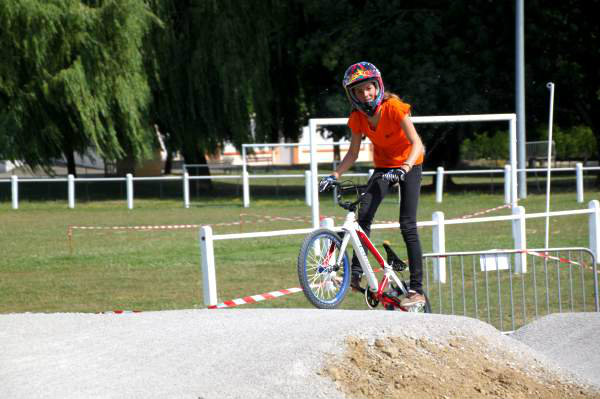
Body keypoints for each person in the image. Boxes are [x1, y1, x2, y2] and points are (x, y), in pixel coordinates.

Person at [319, 61, 426, 307]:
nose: (365, 94)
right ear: (353, 95)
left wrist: (404, 168)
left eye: (369, 88)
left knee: (407, 224)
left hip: (410, 164)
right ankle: (355, 275)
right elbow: (353, 153)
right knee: (363, 216)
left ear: (377, 86)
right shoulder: (358, 117)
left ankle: (416, 289)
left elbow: (417, 143)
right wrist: (334, 175)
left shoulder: (395, 107)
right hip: (384, 166)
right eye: (359, 91)